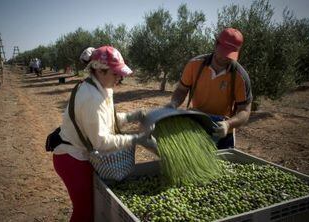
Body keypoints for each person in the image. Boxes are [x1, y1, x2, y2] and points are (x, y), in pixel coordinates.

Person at [53, 46, 155, 222]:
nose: (119, 78)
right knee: (85, 212)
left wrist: (132, 116)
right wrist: (136, 139)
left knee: (90, 208)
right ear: (100, 71)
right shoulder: (91, 97)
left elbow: (107, 120)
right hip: (72, 159)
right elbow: (101, 142)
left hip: (80, 155)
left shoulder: (100, 87)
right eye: (115, 74)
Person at [166, 28, 252, 149]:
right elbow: (181, 90)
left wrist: (228, 124)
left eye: (229, 54)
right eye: (223, 52)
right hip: (196, 126)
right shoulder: (194, 65)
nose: (224, 57)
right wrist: (173, 104)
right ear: (216, 43)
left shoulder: (240, 77)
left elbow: (245, 111)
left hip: (222, 132)